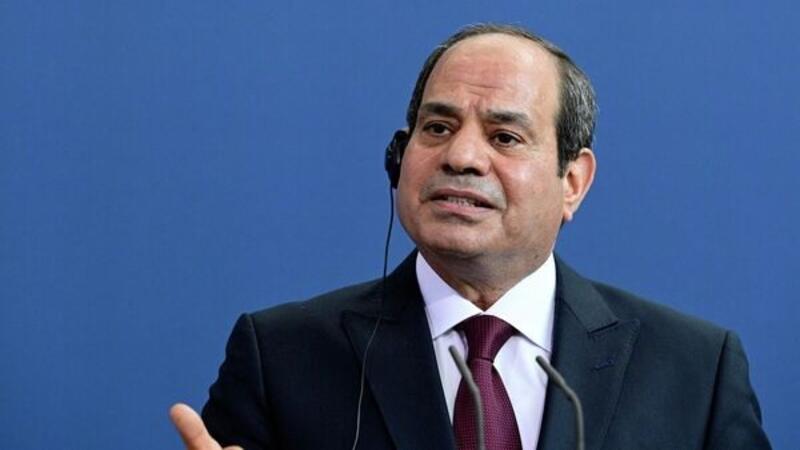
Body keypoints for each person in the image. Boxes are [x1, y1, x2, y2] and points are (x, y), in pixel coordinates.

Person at [170, 24, 771, 449]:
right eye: (437, 126)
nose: (460, 156)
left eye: (504, 137)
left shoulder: (695, 370)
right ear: (400, 157)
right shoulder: (281, 358)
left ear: (572, 182)